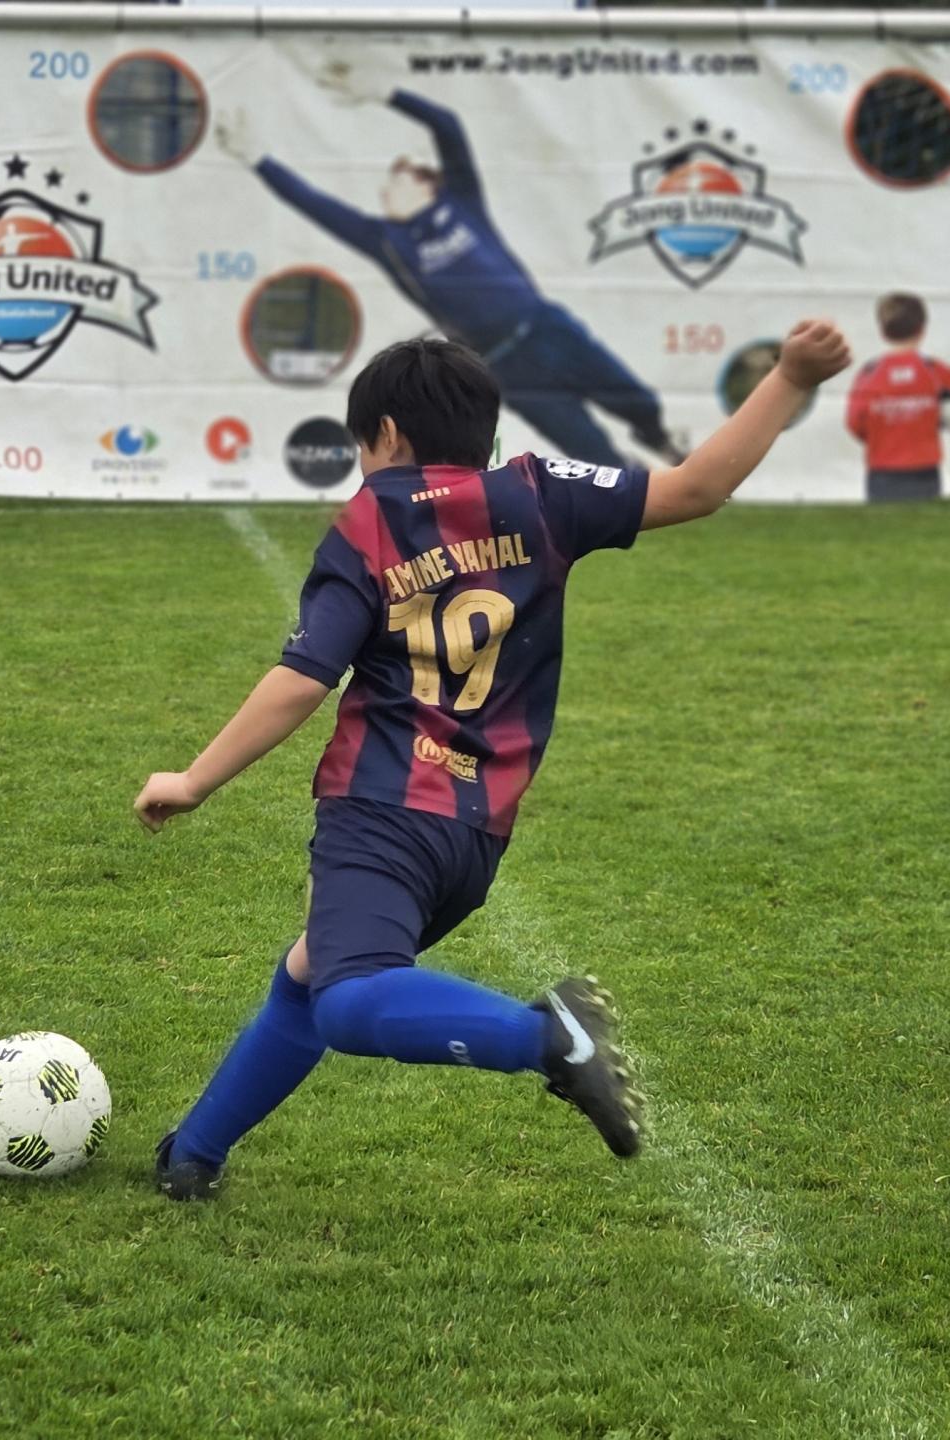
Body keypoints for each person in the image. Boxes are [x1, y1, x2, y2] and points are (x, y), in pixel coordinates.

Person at [133, 319, 853, 1200]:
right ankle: (194, 1155)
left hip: (379, 810)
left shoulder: (368, 525)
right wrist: (786, 375)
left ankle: (547, 1038)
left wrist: (194, 778)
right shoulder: (540, 494)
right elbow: (698, 488)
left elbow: (302, 678)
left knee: (351, 998)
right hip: (475, 837)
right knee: (311, 971)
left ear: (386, 436)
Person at [216, 66, 687, 472]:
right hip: (502, 362)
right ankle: (638, 491)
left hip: (546, 327)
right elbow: (315, 205)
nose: (392, 179)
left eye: (402, 170)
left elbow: (447, 126)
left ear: (426, 182)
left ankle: (660, 440)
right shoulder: (387, 242)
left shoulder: (462, 202)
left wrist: (385, 93)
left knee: (634, 399)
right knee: (587, 448)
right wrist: (258, 159)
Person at [844, 292, 950, 503]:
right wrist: (943, 413)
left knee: (884, 532)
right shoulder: (934, 371)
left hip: (882, 471)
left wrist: (883, 433)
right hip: (924, 471)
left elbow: (854, 422)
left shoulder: (869, 374)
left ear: (882, 332)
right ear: (922, 330)